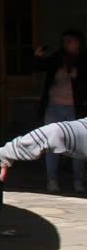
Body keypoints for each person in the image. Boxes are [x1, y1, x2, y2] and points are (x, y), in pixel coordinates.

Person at [34, 29, 87, 192]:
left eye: (70, 41)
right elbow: (38, 67)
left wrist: (77, 76)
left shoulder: (84, 60)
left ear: (78, 43)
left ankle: (78, 181)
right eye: (64, 41)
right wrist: (37, 56)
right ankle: (52, 181)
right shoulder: (57, 58)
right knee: (52, 143)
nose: (66, 44)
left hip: (75, 108)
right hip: (54, 106)